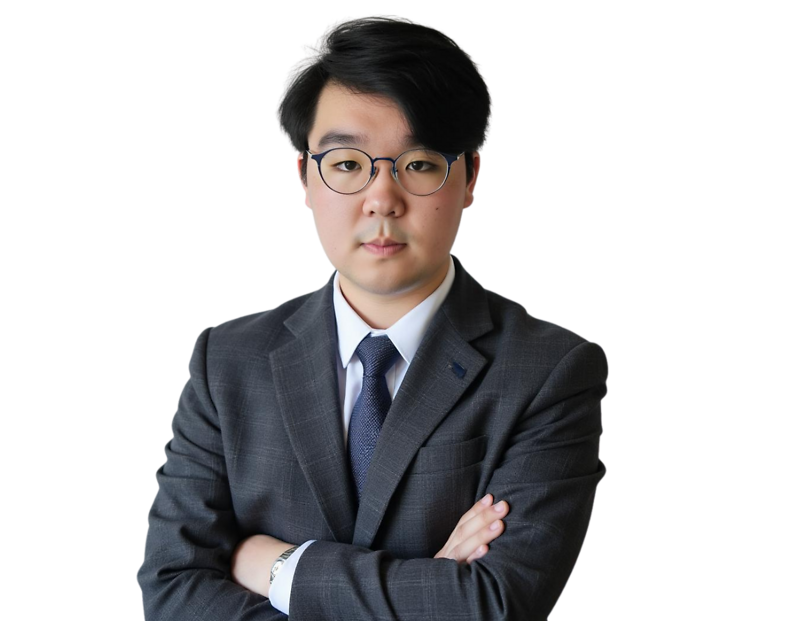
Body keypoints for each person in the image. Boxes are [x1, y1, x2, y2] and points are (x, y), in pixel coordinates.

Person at [137, 15, 608, 620]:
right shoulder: (226, 360)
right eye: (347, 164)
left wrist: (277, 566)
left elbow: (497, 604)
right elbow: (171, 587)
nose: (381, 199)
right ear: (305, 177)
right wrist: (430, 588)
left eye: (417, 164)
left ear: (470, 177)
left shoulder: (550, 370)